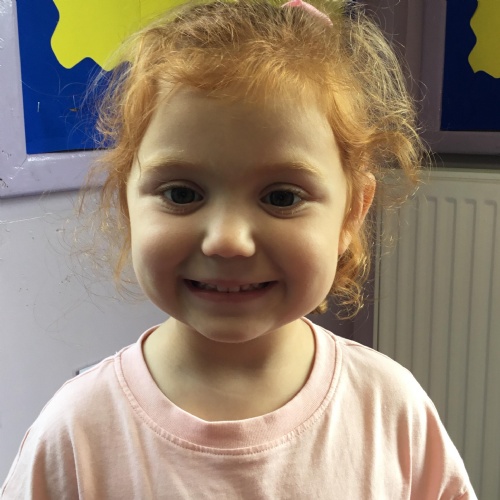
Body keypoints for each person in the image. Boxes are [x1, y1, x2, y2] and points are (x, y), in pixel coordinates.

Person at [1, 0, 476, 498]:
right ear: (127, 205)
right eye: (181, 194)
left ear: (352, 213)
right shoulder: (77, 434)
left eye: (282, 197)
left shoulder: (390, 409)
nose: (227, 240)